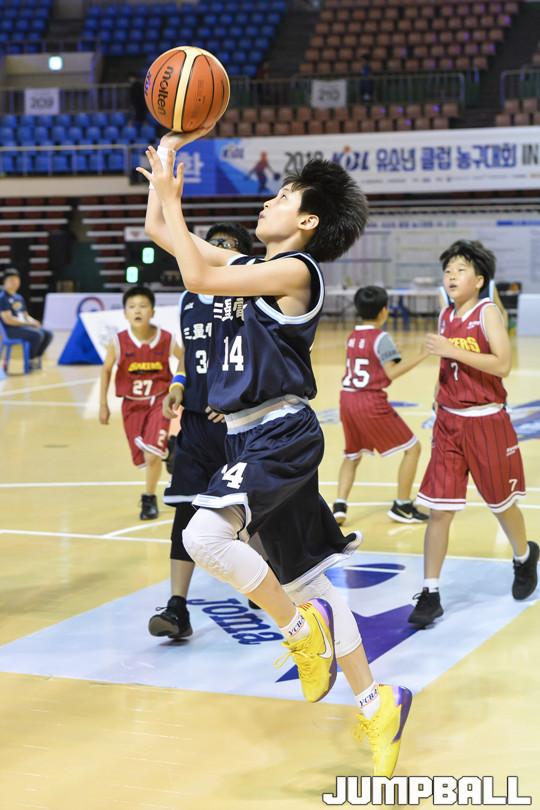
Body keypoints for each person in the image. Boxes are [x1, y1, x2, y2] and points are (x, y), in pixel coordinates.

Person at [138, 132, 412, 778]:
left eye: (284, 196)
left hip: (278, 432)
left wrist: (175, 199)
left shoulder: (297, 272)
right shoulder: (249, 268)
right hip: (248, 435)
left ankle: (298, 632)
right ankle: (377, 703)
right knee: (307, 584)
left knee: (204, 537)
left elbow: (197, 274)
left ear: (308, 221)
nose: (269, 201)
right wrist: (165, 170)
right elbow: (161, 234)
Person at [409, 240, 538, 628]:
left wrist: (451, 349)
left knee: (501, 503)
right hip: (449, 424)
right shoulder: (445, 314)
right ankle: (430, 592)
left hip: (486, 422)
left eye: (460, 270)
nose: (451, 276)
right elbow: (446, 366)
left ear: (479, 280)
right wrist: (437, 396)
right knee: (439, 510)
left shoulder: (488, 313)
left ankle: (524, 556)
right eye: (448, 270)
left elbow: (502, 365)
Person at [149, 222, 254, 639]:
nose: (217, 247)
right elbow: (186, 354)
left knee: (250, 510)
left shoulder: (248, 296)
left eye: (227, 244)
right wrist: (177, 384)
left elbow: (259, 356)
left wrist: (235, 399)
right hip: (194, 423)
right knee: (186, 511)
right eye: (212, 242)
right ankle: (177, 607)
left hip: (237, 425)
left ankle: (264, 580)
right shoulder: (189, 297)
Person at [333, 286, 429, 526]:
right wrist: (422, 355)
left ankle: (339, 507)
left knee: (352, 454)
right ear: (384, 311)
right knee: (413, 448)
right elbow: (391, 372)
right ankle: (402, 506)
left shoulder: (352, 336)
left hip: (347, 399)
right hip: (369, 401)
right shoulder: (381, 337)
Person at [99, 286, 183, 520]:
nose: (138, 311)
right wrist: (103, 404)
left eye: (143, 306)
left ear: (152, 311)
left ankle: (149, 497)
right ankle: (170, 449)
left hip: (159, 402)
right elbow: (106, 370)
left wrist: (179, 385)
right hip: (132, 405)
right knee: (142, 456)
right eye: (132, 307)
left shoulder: (166, 338)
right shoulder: (118, 342)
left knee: (151, 455)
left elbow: (184, 358)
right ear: (125, 313)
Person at [0, 267, 53, 369]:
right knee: (37, 335)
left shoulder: (18, 297)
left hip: (22, 327)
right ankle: (30, 360)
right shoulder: (3, 298)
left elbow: (25, 315)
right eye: (11, 280)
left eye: (16, 280)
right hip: (10, 330)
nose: (14, 282)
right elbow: (8, 320)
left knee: (48, 334)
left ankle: (35, 357)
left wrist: (34, 322)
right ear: (4, 282)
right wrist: (28, 324)